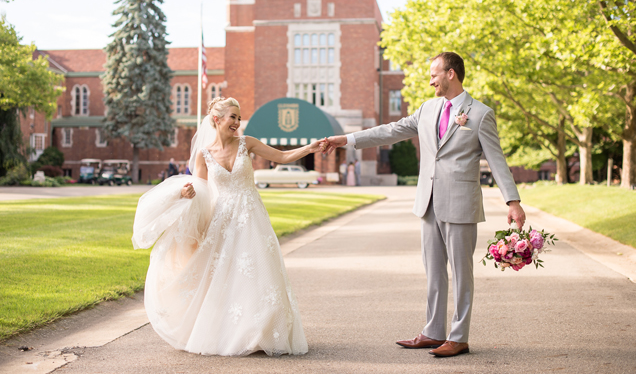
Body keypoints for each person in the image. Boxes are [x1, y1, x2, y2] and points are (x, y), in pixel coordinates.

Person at [321, 52, 525, 357]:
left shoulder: (480, 114)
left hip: (460, 204)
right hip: (428, 203)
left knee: (461, 272)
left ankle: (459, 337)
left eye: (434, 74)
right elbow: (390, 131)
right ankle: (433, 332)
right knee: (434, 271)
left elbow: (497, 161)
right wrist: (346, 139)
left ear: (451, 74)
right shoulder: (427, 109)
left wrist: (513, 201)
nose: (430, 80)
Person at [132, 97, 322, 356]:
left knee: (260, 272)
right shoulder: (204, 154)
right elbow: (200, 191)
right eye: (233, 116)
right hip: (222, 220)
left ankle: (262, 332)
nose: (237, 122)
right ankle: (232, 333)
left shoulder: (248, 143)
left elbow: (282, 156)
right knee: (225, 277)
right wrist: (186, 195)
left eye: (239, 118)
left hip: (252, 218)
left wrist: (310, 148)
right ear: (216, 119)